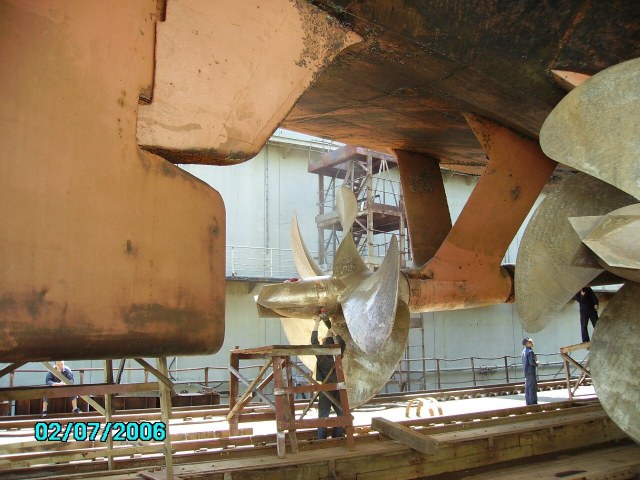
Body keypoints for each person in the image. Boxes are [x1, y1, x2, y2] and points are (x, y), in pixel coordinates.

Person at [311, 313, 346, 439]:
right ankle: (338, 436)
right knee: (341, 413)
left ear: (324, 343)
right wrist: (330, 328)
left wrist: (317, 322)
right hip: (338, 387)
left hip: (326, 389)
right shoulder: (338, 354)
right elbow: (341, 342)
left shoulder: (321, 355)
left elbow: (313, 341)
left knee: (323, 415)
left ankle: (321, 439)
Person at [521, 338, 539, 405]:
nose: (532, 343)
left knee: (527, 387)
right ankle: (533, 402)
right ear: (527, 344)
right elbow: (532, 362)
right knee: (532, 387)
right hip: (531, 371)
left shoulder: (523, 352)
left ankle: (528, 402)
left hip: (526, 371)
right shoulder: (530, 352)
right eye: (530, 342)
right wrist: (536, 363)